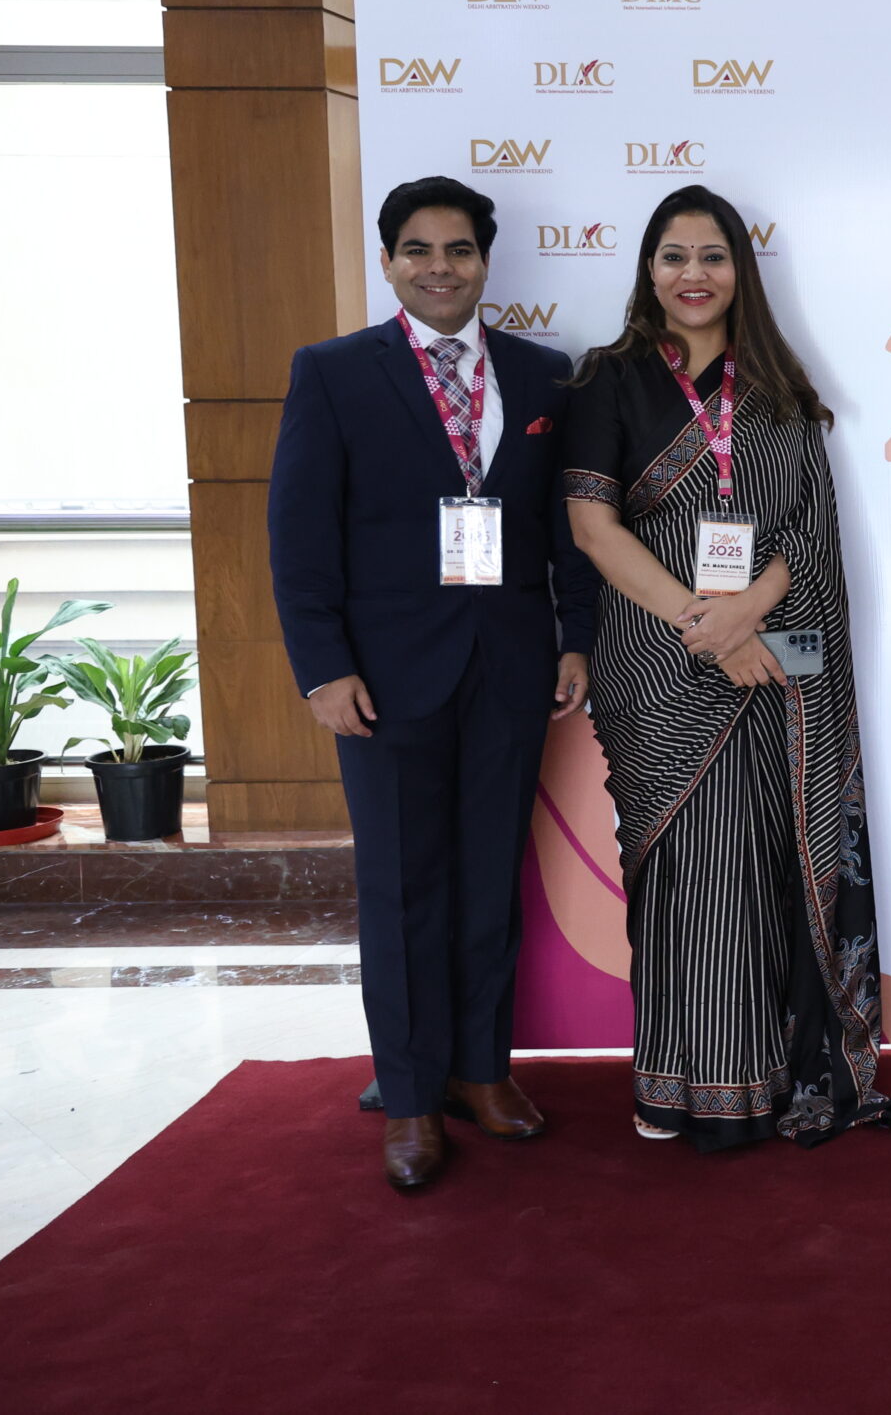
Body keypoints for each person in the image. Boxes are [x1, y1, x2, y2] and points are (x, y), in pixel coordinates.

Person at [562, 185, 891, 1150]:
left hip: (771, 659)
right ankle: (675, 1088)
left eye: (713, 255)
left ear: (741, 270)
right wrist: (706, 623)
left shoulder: (775, 386)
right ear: (648, 269)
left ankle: (762, 1081)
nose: (694, 274)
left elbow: (809, 530)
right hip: (660, 665)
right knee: (690, 874)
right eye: (674, 256)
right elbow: (594, 528)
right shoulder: (608, 379)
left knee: (762, 870)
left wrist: (745, 615)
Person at [267, 175, 597, 1192]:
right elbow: (299, 535)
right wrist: (323, 669)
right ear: (388, 261)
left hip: (510, 665)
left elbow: (565, 529)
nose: (439, 267)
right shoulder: (333, 372)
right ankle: (410, 1097)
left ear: (485, 262)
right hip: (384, 677)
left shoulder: (544, 375)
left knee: (489, 878)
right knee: (403, 886)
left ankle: (481, 1071)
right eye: (418, 249)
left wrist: (576, 638)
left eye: (459, 249)